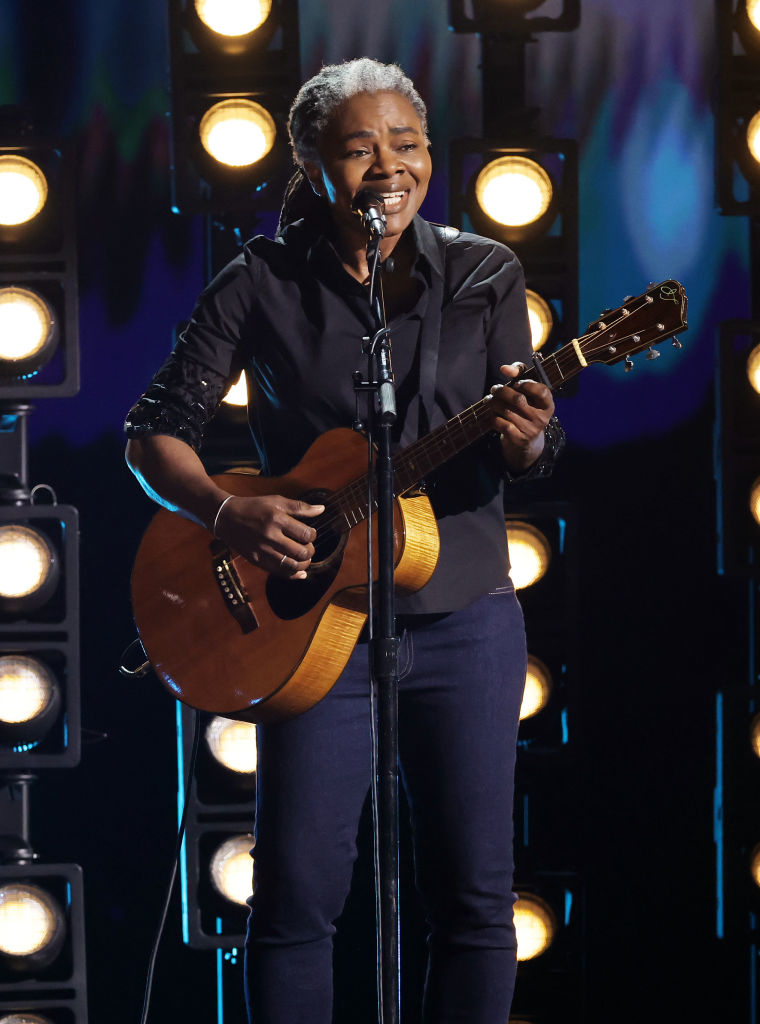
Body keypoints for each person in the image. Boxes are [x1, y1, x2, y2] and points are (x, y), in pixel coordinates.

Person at [125, 57, 564, 1024]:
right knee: (293, 902)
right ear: (313, 165)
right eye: (359, 149)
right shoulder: (263, 281)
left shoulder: (485, 272)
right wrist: (226, 511)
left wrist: (530, 435)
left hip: (466, 621)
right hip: (312, 629)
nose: (389, 167)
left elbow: (527, 434)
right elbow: (154, 431)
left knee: (479, 904)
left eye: (406, 144)